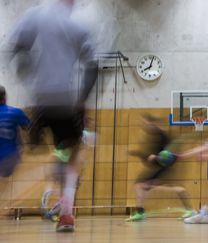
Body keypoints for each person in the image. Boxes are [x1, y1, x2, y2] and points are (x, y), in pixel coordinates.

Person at [8, 0, 98, 232]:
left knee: (51, 150)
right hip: (65, 98)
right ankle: (66, 212)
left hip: (39, 98)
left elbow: (17, 49)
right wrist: (82, 101)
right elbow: (92, 66)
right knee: (76, 149)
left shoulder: (34, 14)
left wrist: (29, 79)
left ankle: (38, 133)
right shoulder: (79, 22)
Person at [126, 115, 195, 222]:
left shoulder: (161, 136)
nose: (144, 126)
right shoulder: (155, 136)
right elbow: (150, 156)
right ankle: (140, 212)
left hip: (162, 168)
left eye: (145, 123)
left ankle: (140, 212)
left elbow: (169, 153)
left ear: (152, 123)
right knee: (142, 185)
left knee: (141, 185)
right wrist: (138, 153)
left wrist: (157, 156)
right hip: (159, 167)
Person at [0, 86, 30, 196]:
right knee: (5, 182)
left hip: (8, 156)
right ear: (4, 98)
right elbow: (28, 127)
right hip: (10, 156)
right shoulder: (15, 112)